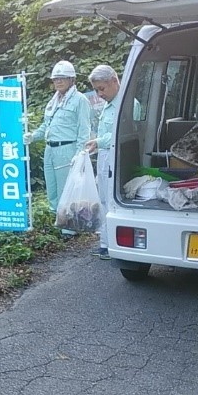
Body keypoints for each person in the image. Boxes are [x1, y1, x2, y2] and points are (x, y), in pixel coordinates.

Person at [23, 60, 91, 233]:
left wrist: (80, 153)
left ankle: (69, 228)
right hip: (50, 149)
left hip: (67, 149)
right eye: (55, 79)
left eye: (63, 78)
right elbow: (47, 126)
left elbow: (84, 130)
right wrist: (33, 136)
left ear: (72, 79)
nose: (58, 82)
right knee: (51, 188)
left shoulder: (79, 100)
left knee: (66, 188)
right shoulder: (53, 101)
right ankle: (58, 220)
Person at [85, 64, 121, 259]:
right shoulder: (109, 104)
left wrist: (99, 141)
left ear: (114, 81)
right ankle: (105, 243)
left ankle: (110, 245)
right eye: (97, 90)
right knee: (104, 199)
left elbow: (118, 134)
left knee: (111, 200)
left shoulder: (126, 103)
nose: (99, 94)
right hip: (104, 157)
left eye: (102, 89)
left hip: (115, 158)